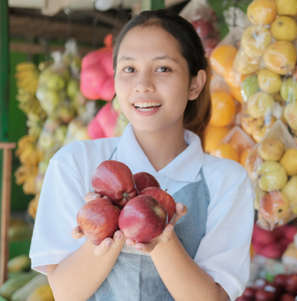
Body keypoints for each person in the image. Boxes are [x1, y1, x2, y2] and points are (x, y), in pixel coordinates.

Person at [29, 9, 254, 301]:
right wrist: (104, 227)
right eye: (129, 69)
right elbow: (66, 293)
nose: (143, 84)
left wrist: (163, 239)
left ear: (195, 83)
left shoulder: (227, 181)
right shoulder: (75, 163)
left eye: (163, 69)